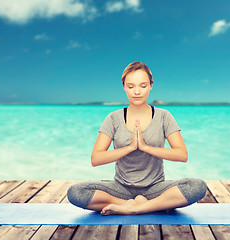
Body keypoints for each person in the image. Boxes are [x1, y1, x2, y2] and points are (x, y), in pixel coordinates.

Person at [67, 61, 207, 215]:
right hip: (121, 189)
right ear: (124, 87)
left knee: (197, 186)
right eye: (131, 86)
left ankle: (135, 208)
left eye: (143, 85)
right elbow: (96, 159)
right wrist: (130, 147)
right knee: (76, 192)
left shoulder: (164, 116)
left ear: (151, 86)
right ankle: (139, 205)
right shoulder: (113, 118)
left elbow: (182, 155)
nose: (137, 92)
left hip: (155, 188)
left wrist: (146, 147)